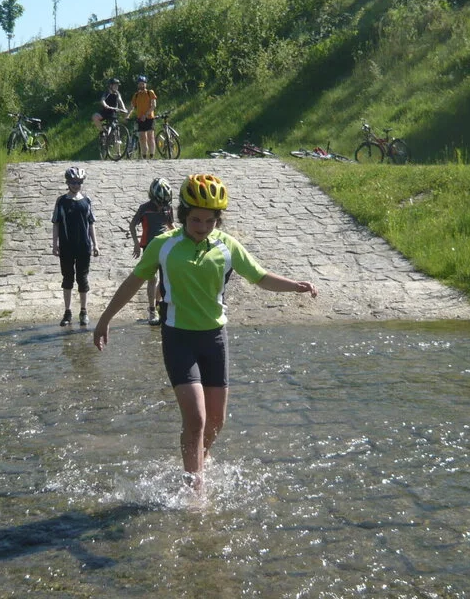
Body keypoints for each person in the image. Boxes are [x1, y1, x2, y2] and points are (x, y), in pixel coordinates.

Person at [93, 173, 318, 493]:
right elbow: (133, 283)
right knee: (196, 419)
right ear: (183, 215)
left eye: (210, 221)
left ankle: (199, 456)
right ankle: (194, 488)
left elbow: (260, 276)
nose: (202, 226)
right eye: (195, 219)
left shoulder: (226, 246)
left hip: (214, 339)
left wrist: (294, 286)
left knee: (217, 421)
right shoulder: (164, 245)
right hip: (178, 338)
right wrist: (105, 319)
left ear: (218, 219)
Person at [52, 166, 100, 327]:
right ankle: (67, 312)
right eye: (73, 182)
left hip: (83, 247)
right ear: (67, 182)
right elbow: (56, 224)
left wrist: (96, 244)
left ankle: (84, 311)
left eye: (79, 182)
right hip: (66, 246)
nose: (76, 185)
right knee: (67, 279)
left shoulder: (86, 201)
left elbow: (91, 223)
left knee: (83, 279)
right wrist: (55, 244)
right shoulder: (61, 201)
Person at [128, 177, 175, 325]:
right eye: (159, 203)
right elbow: (132, 225)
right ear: (152, 197)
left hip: (165, 245)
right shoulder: (145, 208)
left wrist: (181, 237)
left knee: (164, 279)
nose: (162, 206)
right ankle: (151, 310)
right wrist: (136, 244)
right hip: (149, 246)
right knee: (152, 279)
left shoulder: (168, 207)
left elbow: (170, 224)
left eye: (165, 203)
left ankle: (159, 304)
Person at [127, 75, 157, 159]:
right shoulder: (136, 95)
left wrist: (146, 115)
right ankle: (144, 156)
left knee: (150, 137)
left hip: (149, 118)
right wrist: (128, 115)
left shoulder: (150, 92)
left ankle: (151, 156)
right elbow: (132, 106)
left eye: (143, 84)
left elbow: (154, 105)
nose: (141, 86)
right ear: (138, 85)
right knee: (142, 138)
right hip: (140, 118)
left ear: (145, 84)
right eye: (140, 84)